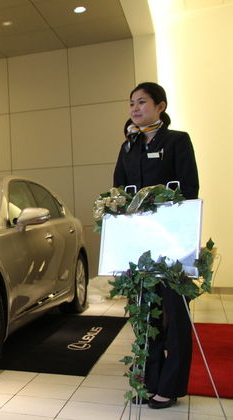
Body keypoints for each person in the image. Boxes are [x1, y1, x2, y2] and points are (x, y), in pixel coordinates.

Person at [113, 82, 199, 409]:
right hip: (140, 241)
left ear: (160, 106)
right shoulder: (128, 146)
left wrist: (161, 207)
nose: (135, 108)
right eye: (131, 103)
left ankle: (171, 386)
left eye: (142, 102)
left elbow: (189, 188)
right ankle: (150, 381)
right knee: (145, 312)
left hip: (172, 239)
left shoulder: (177, 141)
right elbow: (118, 189)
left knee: (174, 315)